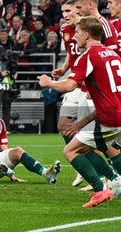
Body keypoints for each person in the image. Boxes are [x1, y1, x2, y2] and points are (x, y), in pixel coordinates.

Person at [39, 16, 121, 207]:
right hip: (115, 113)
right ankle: (114, 180)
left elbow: (69, 85)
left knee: (71, 151)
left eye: (76, 33)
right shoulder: (113, 55)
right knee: (106, 148)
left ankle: (101, 189)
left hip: (109, 117)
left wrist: (48, 83)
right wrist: (80, 123)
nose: (74, 37)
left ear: (86, 34)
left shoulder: (89, 55)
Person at [0, 46, 18, 131]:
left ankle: (6, 128)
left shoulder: (8, 60)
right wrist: (0, 74)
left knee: (7, 106)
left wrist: (13, 73)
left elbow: (13, 70)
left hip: (7, 85)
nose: (2, 56)